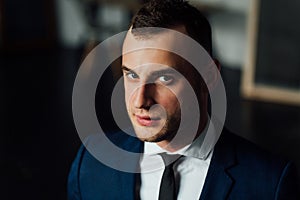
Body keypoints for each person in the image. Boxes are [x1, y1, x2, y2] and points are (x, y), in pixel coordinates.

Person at [68, 0, 298, 199]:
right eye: (132, 75)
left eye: (164, 78)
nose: (140, 100)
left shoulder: (270, 184)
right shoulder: (90, 164)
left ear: (209, 76)